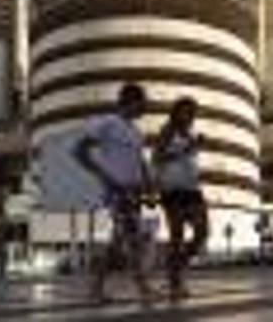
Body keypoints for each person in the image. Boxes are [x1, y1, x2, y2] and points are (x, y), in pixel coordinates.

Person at [74, 83, 153, 303]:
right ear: (130, 101)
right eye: (143, 103)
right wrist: (103, 175)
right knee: (131, 237)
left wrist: (147, 183)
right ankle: (143, 288)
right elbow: (79, 150)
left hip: (134, 192)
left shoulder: (136, 132)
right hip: (117, 190)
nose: (145, 108)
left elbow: (140, 161)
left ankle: (96, 289)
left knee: (119, 241)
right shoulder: (108, 123)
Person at [153, 96, 208, 300]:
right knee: (177, 236)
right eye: (187, 111)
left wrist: (194, 147)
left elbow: (188, 159)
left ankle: (175, 270)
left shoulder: (189, 134)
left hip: (192, 189)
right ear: (176, 112)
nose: (191, 116)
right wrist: (188, 148)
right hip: (172, 190)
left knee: (202, 233)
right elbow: (157, 157)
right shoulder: (167, 131)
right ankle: (175, 281)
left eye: (193, 112)